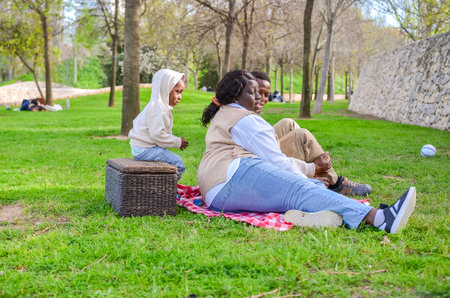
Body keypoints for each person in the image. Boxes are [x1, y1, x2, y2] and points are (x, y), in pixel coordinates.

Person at [197, 70, 416, 233]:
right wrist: (311, 170)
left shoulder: (225, 112)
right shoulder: (247, 121)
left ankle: (311, 212)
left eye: (259, 92)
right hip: (229, 181)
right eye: (252, 92)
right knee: (300, 188)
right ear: (236, 95)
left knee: (307, 188)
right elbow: (279, 164)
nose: (258, 98)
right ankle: (379, 218)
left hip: (217, 191)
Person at [251, 70, 372, 196]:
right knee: (301, 136)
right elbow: (272, 159)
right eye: (258, 92)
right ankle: (334, 183)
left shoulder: (248, 115)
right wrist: (308, 173)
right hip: (258, 167)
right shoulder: (242, 120)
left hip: (259, 154)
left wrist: (311, 149)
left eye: (266, 95)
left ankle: (315, 160)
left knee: (288, 123)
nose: (262, 99)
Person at [128, 69, 189, 180]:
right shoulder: (158, 109)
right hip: (145, 149)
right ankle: (168, 189)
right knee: (178, 164)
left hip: (141, 148)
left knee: (169, 159)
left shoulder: (158, 106)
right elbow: (158, 135)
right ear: (166, 88)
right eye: (177, 92)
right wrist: (178, 142)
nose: (180, 97)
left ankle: (162, 185)